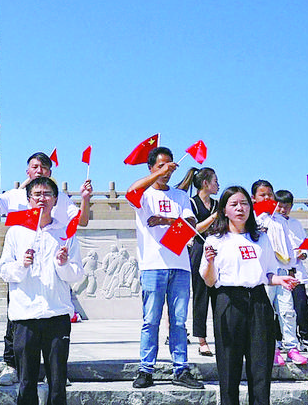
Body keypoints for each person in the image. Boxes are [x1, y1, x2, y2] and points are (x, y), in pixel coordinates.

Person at [0, 151, 92, 386]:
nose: (39, 170)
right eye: (34, 166)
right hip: (24, 278)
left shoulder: (59, 199)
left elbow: (81, 221)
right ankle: (11, 364)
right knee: (16, 323)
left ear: (51, 174)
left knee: (55, 361)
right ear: (27, 171)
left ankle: (56, 370)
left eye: (43, 167)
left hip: (52, 281)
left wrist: (84, 198)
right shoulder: (16, 197)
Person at [201, 186, 299, 405]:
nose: (240, 209)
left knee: (260, 367)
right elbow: (209, 281)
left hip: (258, 302)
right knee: (229, 367)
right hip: (228, 301)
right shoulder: (215, 240)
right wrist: (208, 261)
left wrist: (281, 279)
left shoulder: (261, 238)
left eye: (244, 203)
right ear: (224, 210)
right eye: (234, 204)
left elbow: (268, 274)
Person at [0, 176, 83, 405]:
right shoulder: (16, 232)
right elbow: (4, 270)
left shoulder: (66, 233)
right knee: (26, 383)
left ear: (55, 200)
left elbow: (77, 275)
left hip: (57, 315)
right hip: (25, 317)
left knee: (57, 383)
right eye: (37, 195)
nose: (42, 199)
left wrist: (63, 263)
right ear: (28, 200)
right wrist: (21, 265)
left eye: (47, 194)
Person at [126, 146, 204, 390]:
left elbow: (191, 223)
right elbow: (131, 191)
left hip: (179, 265)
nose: (167, 170)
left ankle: (180, 368)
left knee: (179, 321)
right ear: (151, 168)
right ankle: (145, 369)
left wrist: (166, 220)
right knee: (151, 320)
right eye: (161, 166)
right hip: (153, 266)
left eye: (170, 165)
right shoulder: (145, 195)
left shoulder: (180, 196)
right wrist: (157, 174)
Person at [251, 180, 306, 366]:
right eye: (262, 195)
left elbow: (288, 246)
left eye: (270, 195)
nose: (267, 198)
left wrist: (293, 263)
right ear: (254, 198)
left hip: (283, 271)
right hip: (265, 273)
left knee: (287, 310)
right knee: (267, 311)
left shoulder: (281, 220)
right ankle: (271, 348)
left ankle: (292, 347)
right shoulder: (253, 219)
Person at [175, 167, 219, 356]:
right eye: (215, 181)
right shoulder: (191, 203)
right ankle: (201, 339)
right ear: (205, 184)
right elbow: (192, 229)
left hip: (217, 251)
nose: (218, 184)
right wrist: (213, 218)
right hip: (198, 251)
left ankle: (222, 334)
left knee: (219, 295)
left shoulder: (217, 203)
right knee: (201, 295)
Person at [276, 190, 308, 353]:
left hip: (297, 271)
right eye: (279, 206)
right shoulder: (272, 222)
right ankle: (280, 339)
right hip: (280, 271)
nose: (282, 210)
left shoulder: (296, 224)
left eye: (286, 207)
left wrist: (305, 253)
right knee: (281, 309)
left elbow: (307, 244)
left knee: (301, 306)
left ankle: (306, 337)